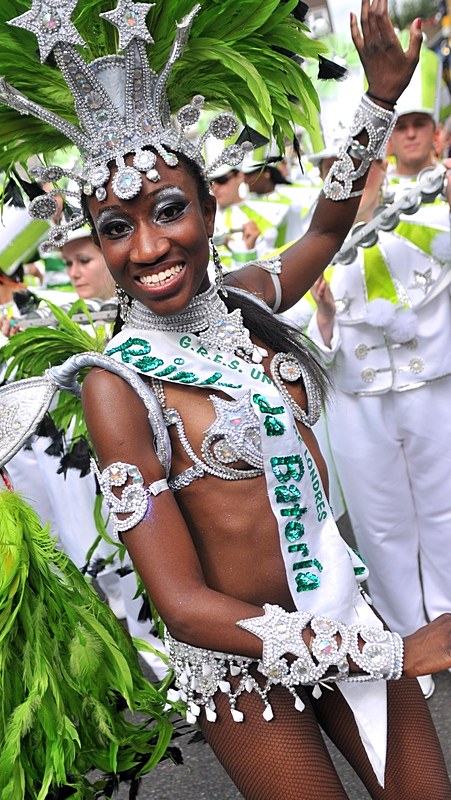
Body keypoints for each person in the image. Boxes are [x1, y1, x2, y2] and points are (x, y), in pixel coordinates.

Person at [0, 1, 451, 798]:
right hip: (241, 667)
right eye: (114, 225)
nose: (147, 247)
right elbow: (179, 602)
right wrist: (389, 654)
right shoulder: (116, 385)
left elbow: (323, 229)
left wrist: (377, 103)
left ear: (206, 208)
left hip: (341, 606)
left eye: (167, 210)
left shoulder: (247, 300)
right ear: (94, 240)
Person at [307, 53, 451, 701]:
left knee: (445, 512)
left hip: (431, 391)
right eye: (334, 172)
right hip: (357, 398)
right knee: (381, 522)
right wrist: (326, 318)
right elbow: (296, 339)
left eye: (358, 170)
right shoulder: (301, 240)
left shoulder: (431, 216)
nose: (349, 182)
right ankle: (407, 636)